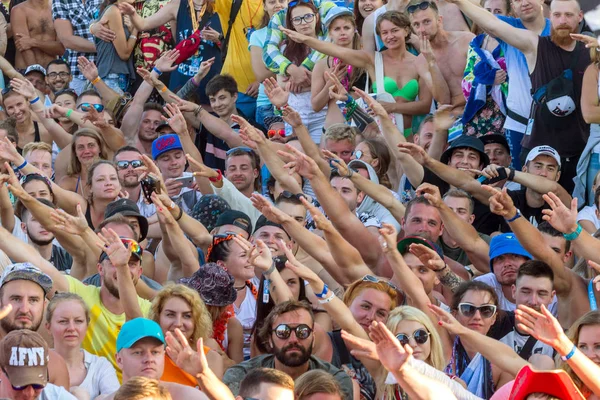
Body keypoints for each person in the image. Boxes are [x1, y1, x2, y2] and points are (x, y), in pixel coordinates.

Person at [448, 0, 590, 193]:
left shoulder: (590, 50)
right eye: (558, 15)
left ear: (580, 16)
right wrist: (460, 2)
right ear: (551, 16)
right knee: (527, 192)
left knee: (572, 197)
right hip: (529, 130)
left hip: (576, 138)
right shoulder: (535, 43)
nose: (563, 20)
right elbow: (492, 24)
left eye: (569, 15)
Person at [281, 9, 432, 137]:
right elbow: (336, 50)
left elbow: (425, 106)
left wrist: (392, 107)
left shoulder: (419, 61)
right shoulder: (372, 59)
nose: (389, 36)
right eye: (384, 33)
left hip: (410, 133)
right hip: (381, 133)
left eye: (394, 30)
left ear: (406, 30)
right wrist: (306, 39)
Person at [223, 300, 354, 399]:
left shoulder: (337, 381)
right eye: (283, 331)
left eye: (302, 331)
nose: (293, 339)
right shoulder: (241, 375)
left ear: (313, 338)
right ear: (270, 338)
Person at [0, 263, 70, 389]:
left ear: (43, 305)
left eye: (33, 300)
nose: (24, 309)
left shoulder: (55, 365)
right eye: (16, 299)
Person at [45, 292, 120, 398]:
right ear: (48, 327)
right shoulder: (36, 364)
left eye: (78, 321)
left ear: (87, 326)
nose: (71, 328)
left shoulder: (100, 366)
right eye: (63, 321)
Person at [114, 318, 210, 398]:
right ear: (119, 360)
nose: (149, 359)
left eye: (155, 352)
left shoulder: (188, 397)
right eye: (138, 352)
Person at [149, 284, 224, 385]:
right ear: (158, 318)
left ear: (196, 321)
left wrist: (200, 375)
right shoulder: (148, 357)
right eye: (170, 314)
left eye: (187, 316)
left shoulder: (210, 359)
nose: (178, 323)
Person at [461, 0, 509, 137]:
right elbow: (466, 82)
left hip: (507, 116)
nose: (491, 16)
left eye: (498, 12)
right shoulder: (475, 43)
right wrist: (487, 79)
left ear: (508, 14)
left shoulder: (513, 43)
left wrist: (501, 80)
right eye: (487, 11)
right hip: (477, 116)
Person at [0, 329, 78, 399]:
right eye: (20, 385)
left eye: (37, 384)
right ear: (1, 371)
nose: (29, 393)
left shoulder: (55, 396)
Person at [52, 0, 103, 93]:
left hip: (109, 70)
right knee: (80, 106)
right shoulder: (61, 1)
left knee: (112, 106)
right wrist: (103, 48)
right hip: (79, 73)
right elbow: (67, 39)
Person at [474, 233, 533, 311]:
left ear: (528, 262)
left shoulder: (545, 287)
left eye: (515, 256)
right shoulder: (482, 285)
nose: (507, 264)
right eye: (500, 258)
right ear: (492, 267)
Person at [94, 0, 138, 94]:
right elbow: (124, 53)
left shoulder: (123, 12)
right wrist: (136, 29)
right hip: (111, 77)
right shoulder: (114, 11)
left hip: (119, 76)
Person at [11, 0, 64, 70]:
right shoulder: (19, 10)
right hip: (26, 71)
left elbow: (61, 49)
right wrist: (36, 72)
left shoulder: (57, 9)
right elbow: (23, 46)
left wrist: (34, 43)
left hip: (50, 72)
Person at [58, 129, 109, 198]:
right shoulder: (67, 183)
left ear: (99, 148)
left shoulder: (112, 179)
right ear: (75, 152)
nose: (86, 151)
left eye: (91, 145)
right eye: (81, 147)